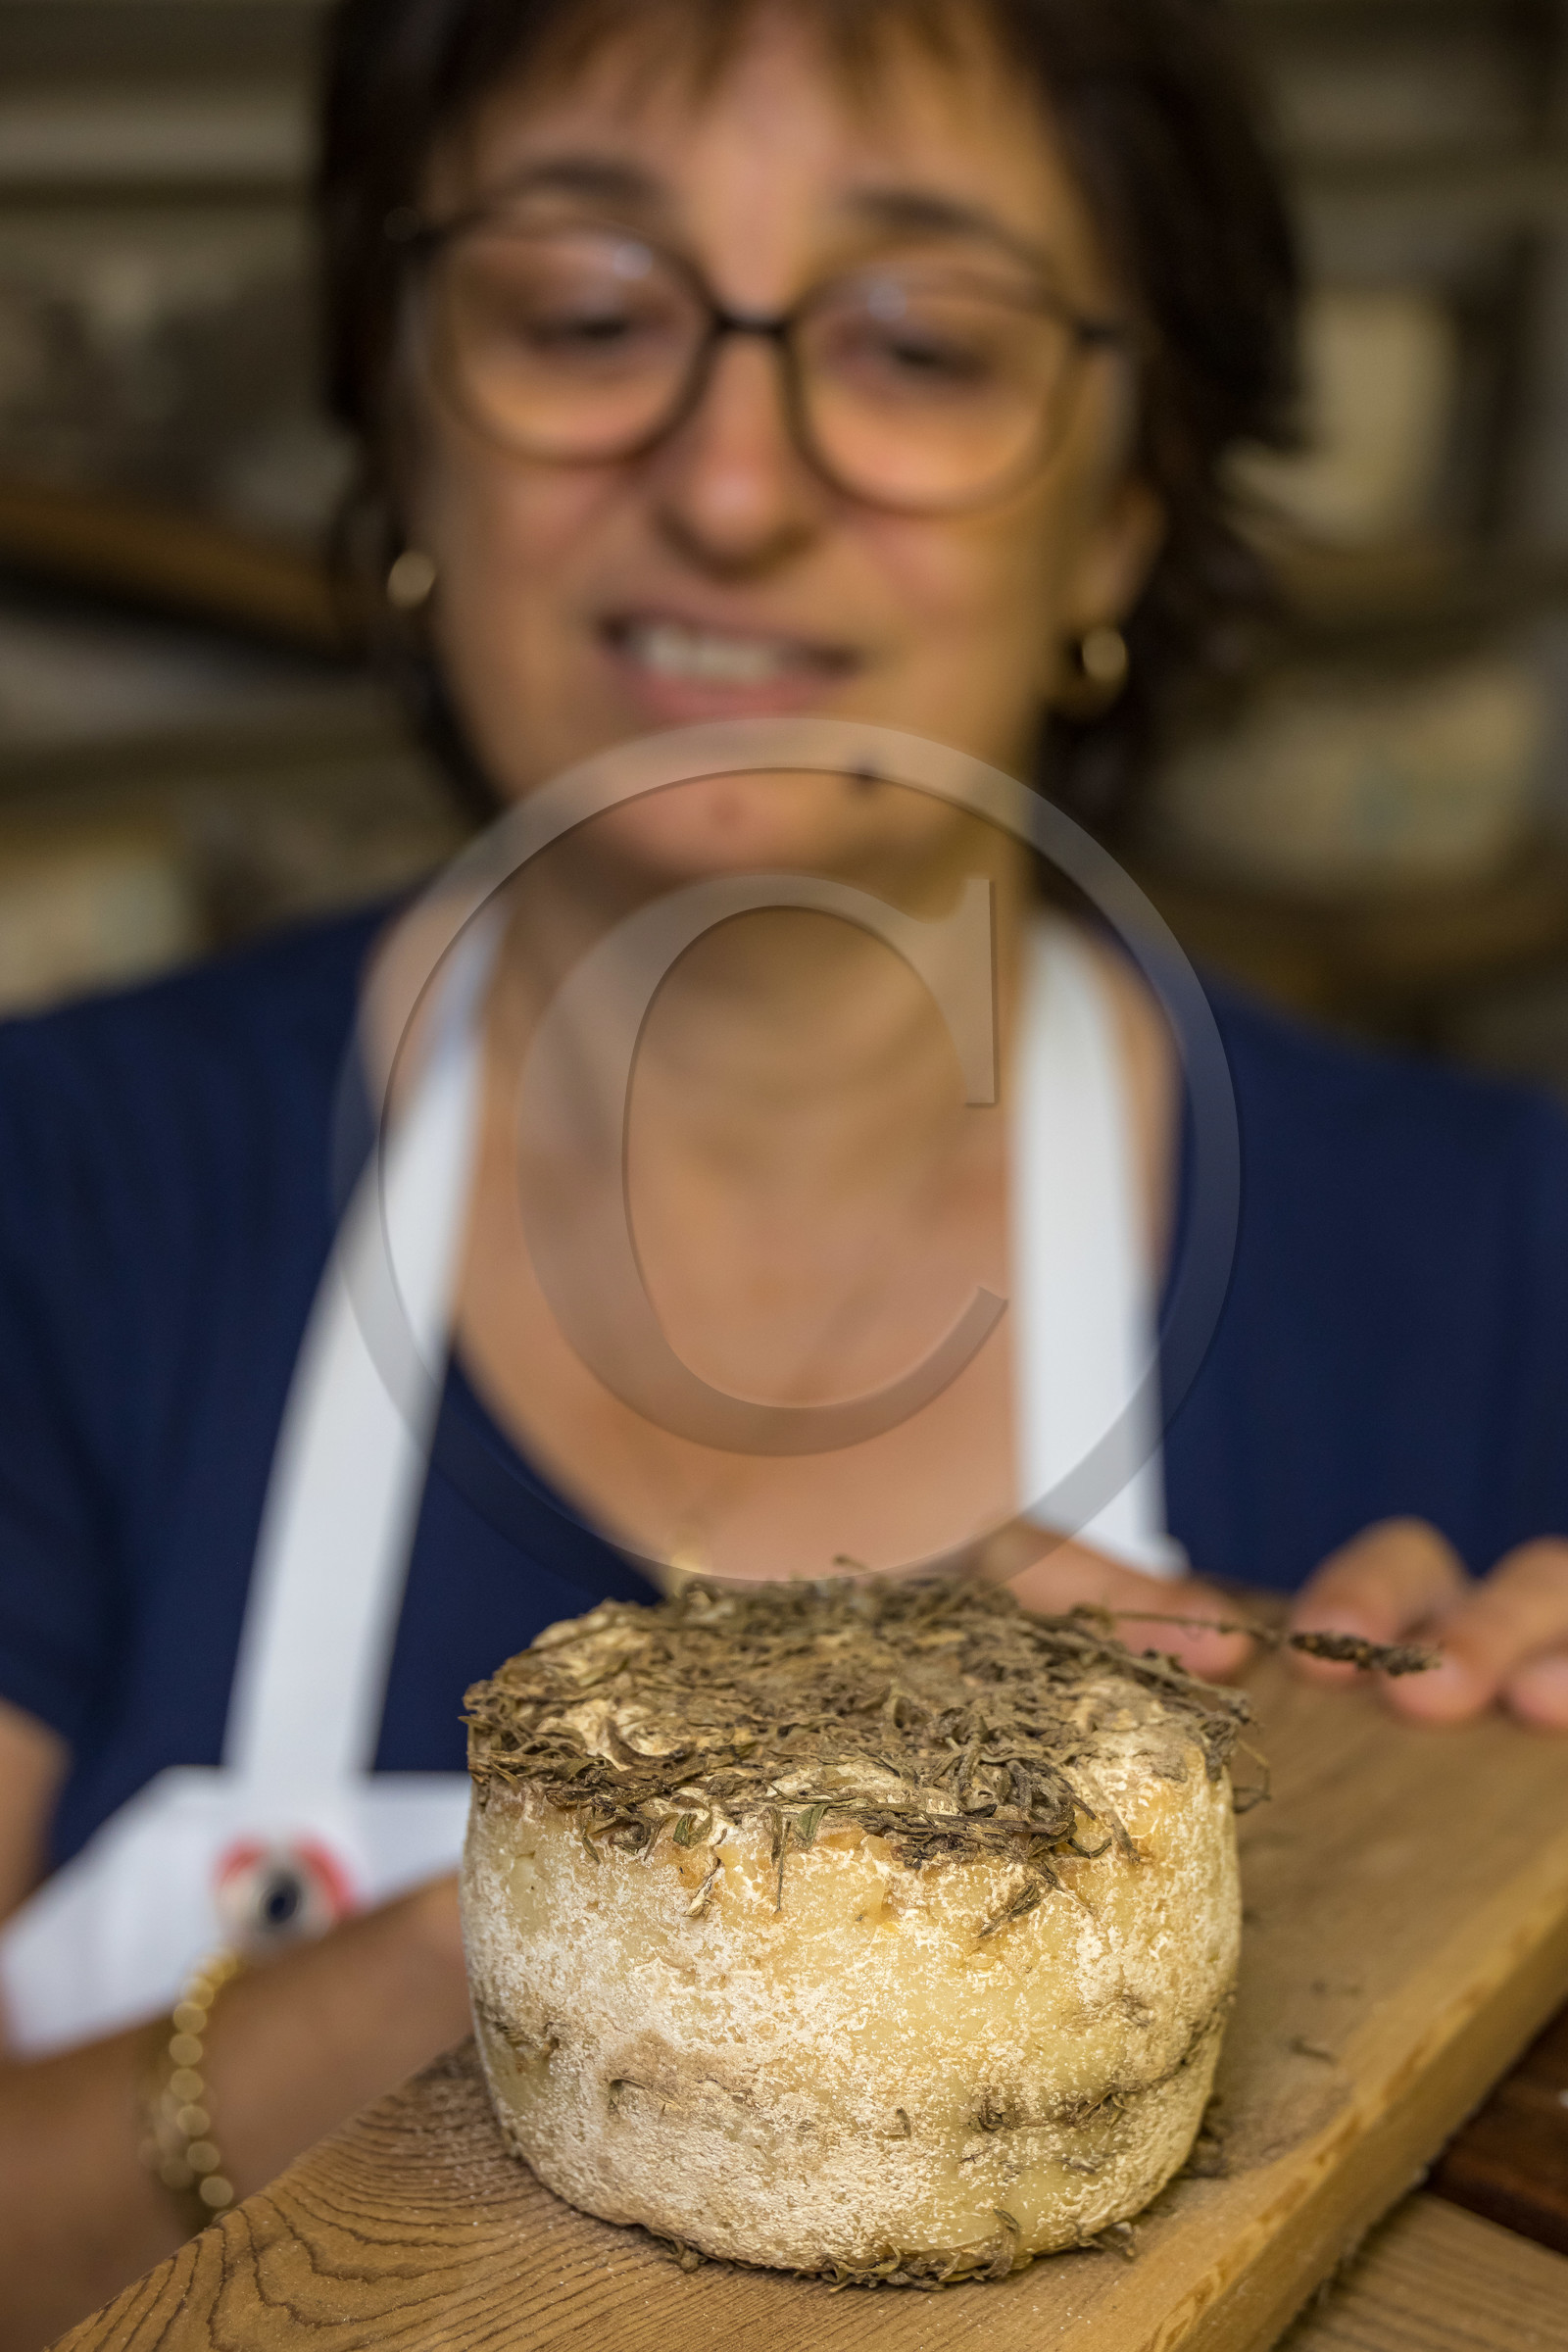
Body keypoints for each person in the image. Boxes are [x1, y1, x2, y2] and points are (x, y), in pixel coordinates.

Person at [2, 0, 1566, 2337]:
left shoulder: (1500, 1267)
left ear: (1121, 498)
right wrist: (571, 1944)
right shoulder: (59, 1194)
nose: (732, 483)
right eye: (582, 316)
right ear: (407, 411)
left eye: (921, 342)